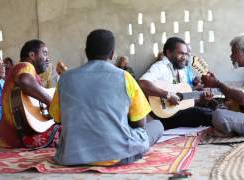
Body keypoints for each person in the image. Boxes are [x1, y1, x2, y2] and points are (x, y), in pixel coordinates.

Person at [50, 29, 163, 166]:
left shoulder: (65, 78)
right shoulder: (124, 77)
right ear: (112, 53)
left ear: (86, 52)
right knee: (157, 125)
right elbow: (140, 123)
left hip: (72, 156)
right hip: (117, 154)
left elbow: (58, 118)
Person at [139, 37, 213, 130]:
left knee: (211, 108)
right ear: (169, 52)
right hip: (163, 116)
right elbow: (142, 83)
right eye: (181, 53)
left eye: (186, 54)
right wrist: (167, 95)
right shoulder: (160, 67)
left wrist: (201, 101)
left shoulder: (180, 70)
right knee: (201, 114)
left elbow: (183, 101)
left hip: (176, 112)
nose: (184, 57)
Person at [0, 39, 61, 148]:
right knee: (73, 130)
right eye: (45, 53)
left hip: (12, 136)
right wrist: (51, 103)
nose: (48, 58)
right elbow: (24, 80)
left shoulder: (28, 72)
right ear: (32, 55)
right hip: (23, 136)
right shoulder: (25, 66)